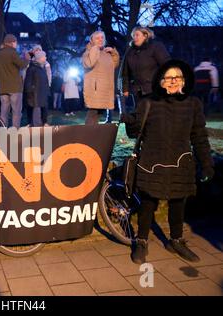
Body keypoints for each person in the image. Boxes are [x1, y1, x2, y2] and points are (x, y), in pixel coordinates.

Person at [121, 59, 214, 264]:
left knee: (178, 202)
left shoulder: (193, 104)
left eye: (177, 77)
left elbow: (199, 136)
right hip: (152, 160)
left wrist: (206, 164)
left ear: (184, 80)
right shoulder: (148, 102)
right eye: (168, 77)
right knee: (147, 203)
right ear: (161, 81)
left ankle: (176, 240)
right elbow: (135, 133)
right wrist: (130, 120)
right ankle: (142, 241)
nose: (173, 81)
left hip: (180, 161)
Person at [120, 26, 170, 105]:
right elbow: (125, 71)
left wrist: (165, 82)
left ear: (145, 35)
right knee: (140, 114)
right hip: (137, 90)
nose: (134, 37)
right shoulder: (130, 51)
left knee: (154, 114)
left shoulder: (156, 47)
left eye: (137, 35)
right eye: (133, 36)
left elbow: (166, 65)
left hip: (153, 88)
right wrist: (125, 88)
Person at [82, 31, 119, 125]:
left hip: (105, 89)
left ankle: (93, 135)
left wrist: (113, 53)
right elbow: (89, 63)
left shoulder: (106, 53)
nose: (100, 39)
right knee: (93, 113)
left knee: (98, 113)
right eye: (97, 38)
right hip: (95, 90)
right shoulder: (88, 52)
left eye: (102, 37)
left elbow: (113, 65)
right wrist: (95, 48)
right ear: (92, 40)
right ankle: (87, 135)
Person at [0, 34, 30, 128]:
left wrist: (2, 81)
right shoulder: (13, 53)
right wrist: (27, 58)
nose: (16, 44)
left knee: (4, 113)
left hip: (3, 88)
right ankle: (14, 132)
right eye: (16, 42)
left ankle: (3, 131)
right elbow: (22, 65)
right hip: (15, 88)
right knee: (16, 112)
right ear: (12, 42)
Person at [24, 51, 50, 127]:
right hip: (35, 95)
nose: (45, 58)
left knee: (42, 110)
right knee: (36, 112)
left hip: (42, 93)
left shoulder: (42, 68)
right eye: (44, 56)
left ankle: (41, 125)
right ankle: (36, 128)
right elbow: (28, 82)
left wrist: (47, 91)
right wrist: (30, 92)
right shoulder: (32, 68)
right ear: (40, 58)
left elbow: (45, 81)